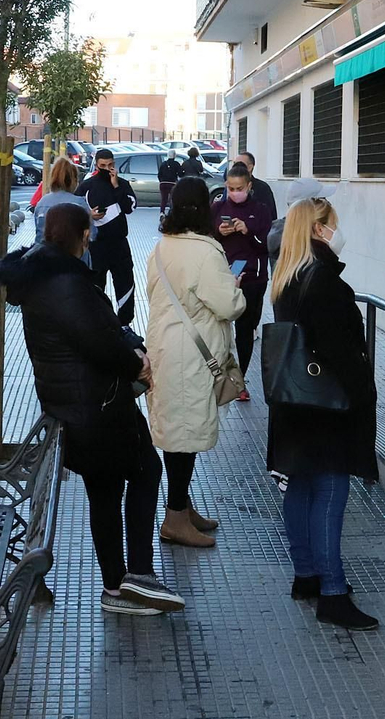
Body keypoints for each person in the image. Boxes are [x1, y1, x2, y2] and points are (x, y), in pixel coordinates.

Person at [0, 203, 184, 617]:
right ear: (81, 236)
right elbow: (99, 342)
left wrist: (128, 344)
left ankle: (119, 586)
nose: (91, 240)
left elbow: (101, 330)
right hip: (96, 406)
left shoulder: (44, 275)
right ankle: (133, 579)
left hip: (80, 404)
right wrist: (137, 362)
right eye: (89, 233)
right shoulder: (65, 283)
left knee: (106, 489)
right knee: (143, 472)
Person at [268, 194, 380, 631]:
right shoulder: (325, 283)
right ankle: (332, 592)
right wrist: (362, 393)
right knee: (331, 491)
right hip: (326, 404)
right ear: (319, 230)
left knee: (300, 485)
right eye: (332, 223)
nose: (338, 230)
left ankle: (306, 575)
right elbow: (341, 352)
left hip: (294, 401)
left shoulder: (287, 276)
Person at [145, 178, 246, 547]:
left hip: (165, 350)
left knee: (177, 432)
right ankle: (174, 519)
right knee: (183, 438)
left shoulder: (162, 247)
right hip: (190, 356)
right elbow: (229, 306)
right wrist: (234, 287)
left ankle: (183, 508)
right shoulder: (206, 252)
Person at [211, 162, 273, 401]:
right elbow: (208, 238)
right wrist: (219, 232)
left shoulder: (261, 209)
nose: (235, 192)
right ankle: (220, 376)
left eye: (239, 188)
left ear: (248, 185)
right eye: (230, 187)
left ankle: (241, 380)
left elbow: (267, 243)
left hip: (252, 277)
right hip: (224, 275)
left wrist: (249, 231)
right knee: (221, 327)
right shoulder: (217, 208)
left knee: (246, 330)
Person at [79, 148, 139, 326]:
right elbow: (73, 208)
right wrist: (89, 215)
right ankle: (99, 322)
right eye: (103, 166)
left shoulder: (122, 183)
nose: (107, 169)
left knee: (126, 283)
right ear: (96, 165)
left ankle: (125, 323)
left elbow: (130, 207)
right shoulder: (87, 185)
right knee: (96, 286)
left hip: (119, 243)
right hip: (96, 245)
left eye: (110, 165)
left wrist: (116, 186)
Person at [267, 177, 331, 266]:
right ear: (305, 207)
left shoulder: (285, 233)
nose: (327, 205)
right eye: (322, 200)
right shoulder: (293, 240)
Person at [34, 156, 85, 241]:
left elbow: (39, 232)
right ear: (74, 180)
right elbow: (91, 235)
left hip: (44, 252)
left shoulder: (42, 203)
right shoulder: (80, 203)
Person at [235, 150, 278, 223]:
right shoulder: (229, 186)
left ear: (250, 167)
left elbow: (270, 216)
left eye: (240, 164)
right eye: (235, 164)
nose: (236, 168)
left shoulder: (262, 188)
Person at [157, 150, 184, 215]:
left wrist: (161, 181)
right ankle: (172, 212)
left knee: (164, 199)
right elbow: (180, 174)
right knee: (172, 198)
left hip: (163, 184)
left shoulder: (163, 164)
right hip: (172, 183)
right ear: (174, 156)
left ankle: (162, 212)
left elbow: (159, 175)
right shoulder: (176, 164)